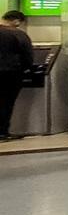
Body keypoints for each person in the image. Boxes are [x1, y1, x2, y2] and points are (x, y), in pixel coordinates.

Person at [0, 10, 34, 142]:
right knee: (6, 102)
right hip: (11, 73)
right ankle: (3, 132)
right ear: (16, 21)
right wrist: (27, 69)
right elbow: (28, 56)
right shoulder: (18, 34)